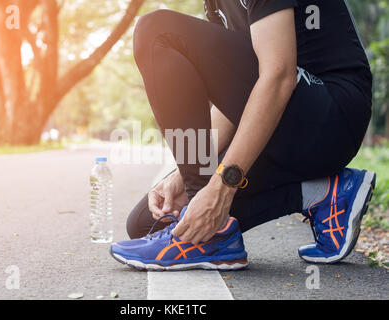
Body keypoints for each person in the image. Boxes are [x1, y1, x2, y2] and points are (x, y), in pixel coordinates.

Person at [110, 0, 376, 271]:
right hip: (289, 121)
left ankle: (209, 238)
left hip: (332, 116)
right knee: (151, 223)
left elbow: (278, 75)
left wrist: (221, 186)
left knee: (156, 29)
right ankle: (322, 194)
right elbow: (236, 98)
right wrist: (184, 174)